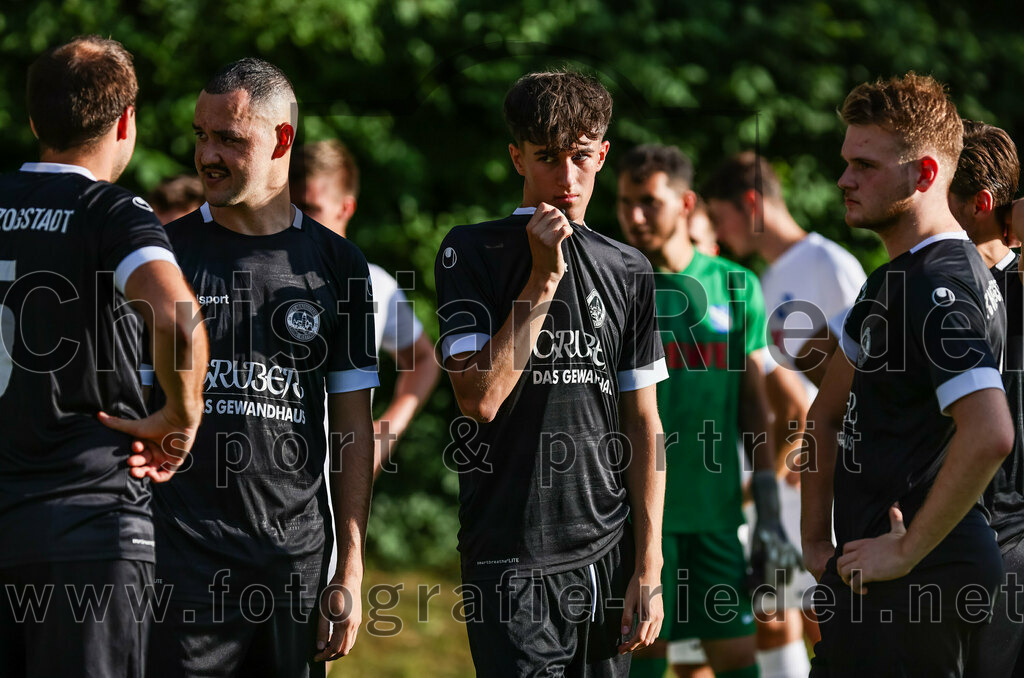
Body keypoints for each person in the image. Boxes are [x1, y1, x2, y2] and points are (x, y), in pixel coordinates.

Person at [145, 58, 378, 678]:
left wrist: (350, 567)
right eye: (201, 136)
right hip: (180, 565)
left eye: (229, 138)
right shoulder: (161, 257)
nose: (208, 156)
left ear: (282, 139)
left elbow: (352, 428)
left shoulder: (340, 265)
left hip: (293, 567)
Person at [435, 70, 667, 677]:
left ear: (603, 155)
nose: (567, 178)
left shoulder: (629, 268)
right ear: (517, 157)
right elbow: (478, 398)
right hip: (512, 555)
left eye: (580, 156)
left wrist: (649, 564)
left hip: (607, 556)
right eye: (546, 157)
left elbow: (643, 423)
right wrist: (542, 278)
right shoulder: (472, 250)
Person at [0, 35, 208, 677]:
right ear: (126, 122)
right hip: (90, 525)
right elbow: (178, 318)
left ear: (35, 120)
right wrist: (181, 415)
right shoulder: (110, 210)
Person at [802, 72, 1014, 676]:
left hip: (919, 582)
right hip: (872, 576)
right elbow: (825, 414)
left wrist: (906, 550)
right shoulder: (895, 277)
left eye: (865, 165)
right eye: (846, 161)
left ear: (924, 174)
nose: (844, 179)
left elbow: (991, 433)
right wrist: (815, 544)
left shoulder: (939, 283)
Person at [617, 144, 800, 678]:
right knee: (643, 655)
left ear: (685, 203)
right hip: (636, 521)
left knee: (738, 658)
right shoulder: (616, 286)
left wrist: (768, 511)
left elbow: (753, 406)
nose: (634, 216)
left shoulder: (736, 285)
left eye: (649, 202)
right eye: (626, 203)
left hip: (716, 516)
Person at [702, 152, 865, 676]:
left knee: (832, 622)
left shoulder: (827, 263)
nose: (717, 233)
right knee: (779, 618)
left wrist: (807, 448)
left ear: (751, 204)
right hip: (781, 487)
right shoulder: (763, 281)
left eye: (719, 217)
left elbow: (866, 380)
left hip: (823, 481)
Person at [290, 139, 440, 475]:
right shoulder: (259, 275)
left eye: (310, 209)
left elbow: (423, 360)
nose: (298, 222)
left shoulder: (376, 285)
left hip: (338, 482)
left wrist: (384, 436)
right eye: (291, 209)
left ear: (346, 208)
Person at [947, 120, 1024, 677]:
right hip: (937, 528)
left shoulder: (1018, 279)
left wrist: (1011, 218)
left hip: (1011, 534)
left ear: (981, 203)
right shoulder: (920, 279)